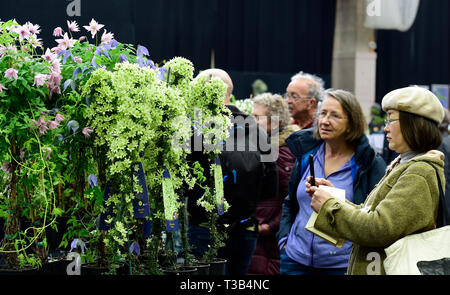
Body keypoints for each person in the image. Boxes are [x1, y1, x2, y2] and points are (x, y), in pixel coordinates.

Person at [307, 86, 445, 275]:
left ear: (416, 124)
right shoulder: (407, 165)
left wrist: (330, 206)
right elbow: (372, 213)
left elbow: (378, 228)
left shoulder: (418, 172)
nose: (385, 127)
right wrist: (334, 199)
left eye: (391, 119)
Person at [277, 89, 386, 275]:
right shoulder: (307, 155)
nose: (325, 121)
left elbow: (374, 217)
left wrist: (335, 200)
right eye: (323, 113)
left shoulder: (367, 164)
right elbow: (290, 202)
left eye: (335, 116)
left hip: (340, 265)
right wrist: (285, 240)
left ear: (352, 123)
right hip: (295, 260)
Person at [187, 68, 278, 275]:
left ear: (204, 92)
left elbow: (184, 183)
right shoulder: (257, 130)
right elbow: (270, 188)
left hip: (204, 228)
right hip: (245, 229)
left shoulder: (197, 129)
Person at [247, 93, 299, 275]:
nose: (251, 122)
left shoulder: (281, 152)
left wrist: (271, 226)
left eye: (257, 117)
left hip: (268, 239)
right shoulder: (264, 146)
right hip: (259, 233)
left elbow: (292, 197)